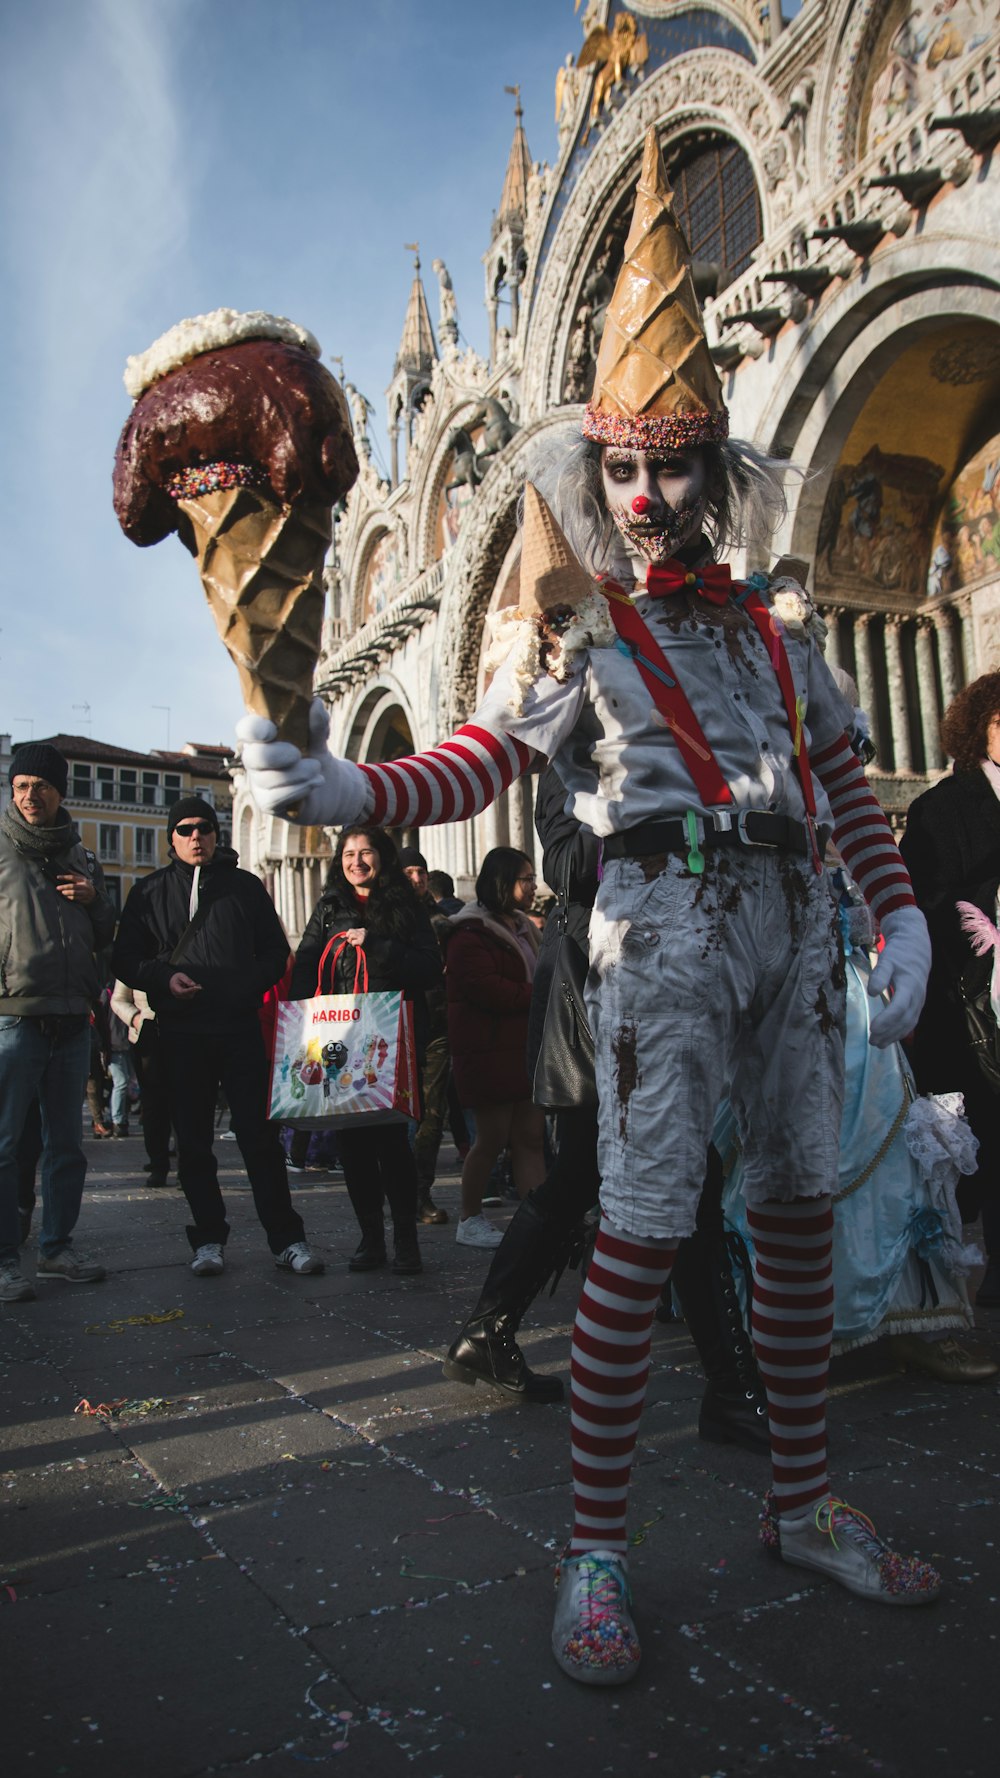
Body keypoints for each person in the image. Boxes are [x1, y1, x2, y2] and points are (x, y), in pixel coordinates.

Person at [239, 133, 940, 1682]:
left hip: (787, 939)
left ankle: (805, 1498)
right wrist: (347, 789)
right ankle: (597, 1552)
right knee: (637, 1235)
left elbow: (840, 784)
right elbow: (476, 759)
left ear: (715, 465)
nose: (641, 493)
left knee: (804, 1214)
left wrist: (892, 922)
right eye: (620, 466)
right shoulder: (585, 640)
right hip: (659, 943)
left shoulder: (776, 631)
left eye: (669, 463)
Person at [445, 761, 769, 1448]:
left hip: (659, 967)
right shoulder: (577, 755)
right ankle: (733, 1386)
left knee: (610, 1172)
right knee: (677, 1167)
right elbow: (565, 863)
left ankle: (489, 1329)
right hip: (598, 980)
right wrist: (645, 804)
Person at [113, 795, 323, 1278]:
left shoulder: (245, 888)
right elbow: (124, 959)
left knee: (259, 1137)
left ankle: (287, 1239)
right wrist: (163, 978)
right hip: (180, 1033)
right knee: (192, 1143)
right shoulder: (147, 892)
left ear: (216, 833)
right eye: (185, 829)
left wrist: (243, 985)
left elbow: (274, 951)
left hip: (237, 1027)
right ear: (171, 837)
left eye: (204, 828)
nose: (195, 836)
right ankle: (208, 1238)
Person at [290, 826, 441, 1275]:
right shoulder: (329, 906)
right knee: (352, 1143)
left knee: (392, 1141)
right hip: (337, 1039)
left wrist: (377, 946)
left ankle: (406, 1240)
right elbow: (305, 964)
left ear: (383, 857)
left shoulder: (407, 906)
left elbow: (429, 968)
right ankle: (370, 1238)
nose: (356, 861)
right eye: (349, 854)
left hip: (387, 1038)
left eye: (366, 852)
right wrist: (300, 1024)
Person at [901, 673, 1000, 1307]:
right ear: (979, 729)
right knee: (975, 1158)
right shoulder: (941, 809)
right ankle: (960, 1291)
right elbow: (921, 907)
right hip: (968, 1011)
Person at [1, 741, 112, 1300]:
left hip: (73, 1017)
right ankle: (3, 1259)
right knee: (4, 1146)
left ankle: (55, 1247)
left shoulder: (81, 855)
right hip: (14, 1017)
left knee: (66, 1146)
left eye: (40, 786)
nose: (29, 796)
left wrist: (95, 899)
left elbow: (105, 931)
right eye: (20, 786)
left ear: (59, 792)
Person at [446, 847, 547, 1249]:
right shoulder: (469, 932)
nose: (533, 886)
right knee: (490, 1139)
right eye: (525, 878)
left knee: (530, 1138)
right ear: (502, 882)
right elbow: (487, 988)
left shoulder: (523, 925)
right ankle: (469, 1218)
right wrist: (539, 994)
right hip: (488, 1051)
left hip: (523, 1047)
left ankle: (539, 1218)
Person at [111, 979, 174, 1187]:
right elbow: (118, 999)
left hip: (185, 1033)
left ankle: (189, 1166)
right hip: (147, 1037)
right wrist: (137, 1019)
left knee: (186, 1103)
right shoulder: (137, 957)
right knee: (154, 1105)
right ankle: (158, 1164)